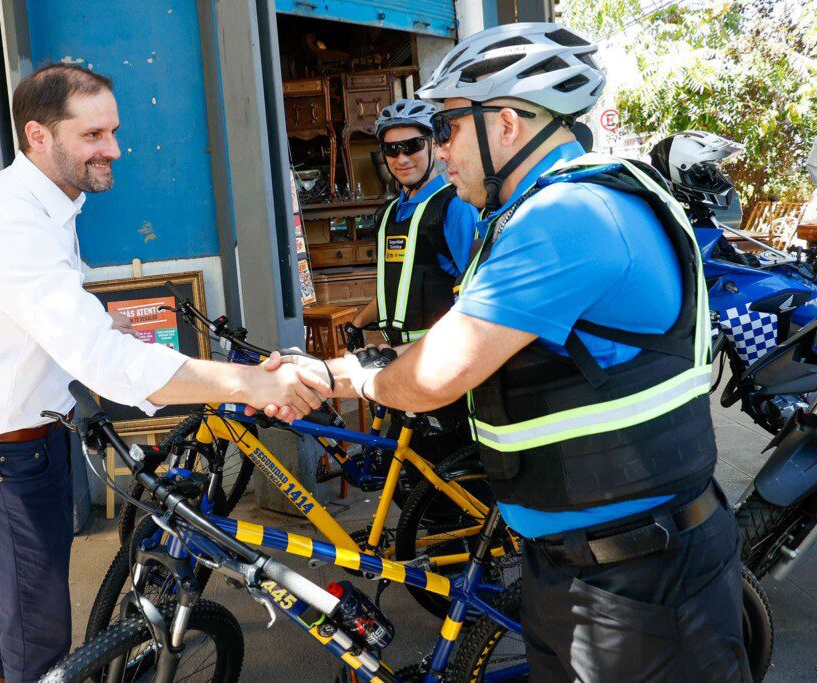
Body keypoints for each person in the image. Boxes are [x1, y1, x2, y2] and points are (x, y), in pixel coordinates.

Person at [300, 22, 749, 680]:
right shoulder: (540, 209)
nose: (440, 151)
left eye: (448, 127)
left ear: (506, 123)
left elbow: (436, 375)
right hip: (586, 569)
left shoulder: (566, 218)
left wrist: (344, 376)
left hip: (636, 586)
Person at [0, 63, 330, 683]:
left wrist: (107, 327)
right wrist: (250, 383)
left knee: (27, 609)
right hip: (1, 456)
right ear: (38, 136)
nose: (114, 149)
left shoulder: (49, 201)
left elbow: (59, 313)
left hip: (34, 443)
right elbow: (101, 361)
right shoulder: (13, 224)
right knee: (39, 634)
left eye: (113, 131)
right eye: (93, 135)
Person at [344, 98, 480, 460]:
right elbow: (398, 284)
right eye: (392, 149)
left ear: (434, 145)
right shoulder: (389, 214)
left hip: (440, 363)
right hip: (398, 363)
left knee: (443, 473)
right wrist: (358, 322)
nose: (402, 158)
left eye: (413, 146)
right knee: (405, 467)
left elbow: (477, 291)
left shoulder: (453, 207)